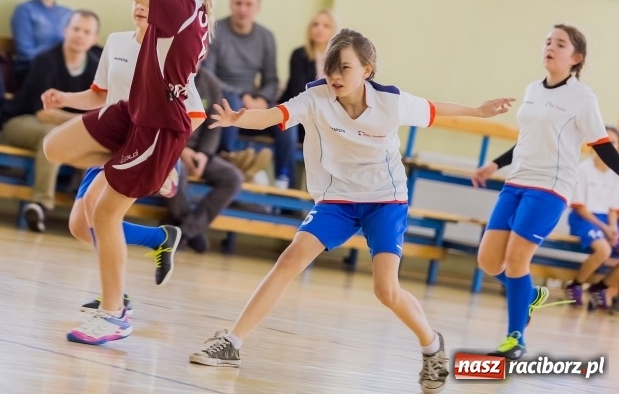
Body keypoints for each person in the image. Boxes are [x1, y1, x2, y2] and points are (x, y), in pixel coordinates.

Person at [188, 29, 515, 394]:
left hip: (385, 200)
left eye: (344, 67)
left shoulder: (391, 102)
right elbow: (272, 116)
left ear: (367, 70)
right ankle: (232, 341)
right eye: (331, 67)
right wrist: (238, 119)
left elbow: (437, 110)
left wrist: (479, 111)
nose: (336, 75)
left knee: (386, 291)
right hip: (336, 200)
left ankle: (431, 345)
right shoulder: (316, 96)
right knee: (288, 261)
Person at [42, 0, 220, 344]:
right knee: (54, 147)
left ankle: (113, 313)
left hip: (158, 128)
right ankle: (142, 174)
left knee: (100, 215)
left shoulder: (177, 8)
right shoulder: (174, 11)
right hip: (132, 113)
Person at [42, 0, 204, 312]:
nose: (143, 6)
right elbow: (99, 95)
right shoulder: (115, 43)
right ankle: (159, 239)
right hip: (108, 139)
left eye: (150, 2)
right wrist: (66, 99)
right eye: (138, 0)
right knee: (80, 227)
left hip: (139, 148)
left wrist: (167, 157)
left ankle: (114, 302)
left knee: (98, 214)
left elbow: (195, 114)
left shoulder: (167, 54)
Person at [472, 24, 619, 359]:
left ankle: (515, 340)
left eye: (560, 44)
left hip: (550, 187)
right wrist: (494, 165)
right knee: (488, 260)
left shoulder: (583, 97)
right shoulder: (533, 89)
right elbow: (526, 139)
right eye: (548, 41)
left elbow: (602, 147)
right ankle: (531, 294)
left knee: (515, 260)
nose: (550, 47)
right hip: (516, 183)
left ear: (576, 58)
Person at [2, 10, 102, 232]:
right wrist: (82, 123)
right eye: (76, 29)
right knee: (52, 136)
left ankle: (88, 211)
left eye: (87, 32)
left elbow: (98, 112)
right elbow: (43, 113)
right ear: (65, 30)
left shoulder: (96, 68)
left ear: (95, 39)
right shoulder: (46, 60)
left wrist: (84, 125)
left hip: (67, 130)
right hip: (21, 122)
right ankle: (40, 204)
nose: (80, 35)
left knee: (101, 145)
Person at [202, 0, 298, 188]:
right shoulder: (215, 30)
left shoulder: (266, 37)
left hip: (255, 104)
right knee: (233, 101)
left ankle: (283, 178)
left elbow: (271, 79)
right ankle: (229, 159)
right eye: (238, 3)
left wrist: (262, 99)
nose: (243, 9)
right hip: (226, 98)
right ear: (230, 4)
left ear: (257, 7)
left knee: (285, 117)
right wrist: (244, 95)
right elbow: (207, 75)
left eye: (248, 4)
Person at [163, 63, 244, 253]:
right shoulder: (164, 78)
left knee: (233, 178)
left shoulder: (211, 83)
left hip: (200, 152)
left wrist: (204, 155)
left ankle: (183, 231)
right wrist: (182, 151)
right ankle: (192, 232)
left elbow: (213, 126)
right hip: (168, 150)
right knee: (174, 174)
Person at [563, 127, 619, 307]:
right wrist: (604, 229)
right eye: (604, 142)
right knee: (604, 250)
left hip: (606, 221)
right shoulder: (582, 170)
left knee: (612, 242)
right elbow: (580, 207)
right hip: (585, 219)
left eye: (613, 142)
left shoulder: (615, 173)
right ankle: (576, 284)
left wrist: (613, 229)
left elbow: (613, 208)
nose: (609, 146)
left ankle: (601, 286)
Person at [279, 9, 339, 142]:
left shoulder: (340, 61)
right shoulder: (299, 54)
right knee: (288, 129)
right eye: (315, 24)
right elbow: (299, 92)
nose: (319, 29)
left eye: (326, 25)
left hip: (326, 117)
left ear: (334, 31)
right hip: (298, 112)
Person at [11, 0, 72, 82]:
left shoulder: (68, 14)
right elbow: (25, 53)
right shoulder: (24, 11)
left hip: (66, 70)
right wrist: (58, 57)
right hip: (34, 71)